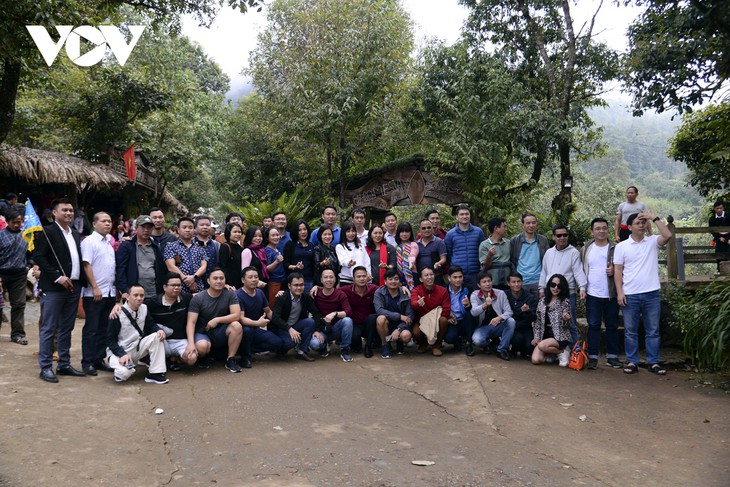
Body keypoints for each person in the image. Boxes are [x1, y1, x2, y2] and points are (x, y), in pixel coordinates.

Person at [33, 197, 87, 383]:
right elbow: (38, 256)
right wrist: (57, 277)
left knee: (67, 327)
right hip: (54, 288)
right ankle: (46, 367)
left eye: (71, 210)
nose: (69, 213)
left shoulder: (75, 233)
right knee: (49, 327)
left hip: (73, 287)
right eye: (64, 210)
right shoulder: (47, 232)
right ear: (54, 213)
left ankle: (64, 364)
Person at [614, 211, 672, 375]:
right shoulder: (621, 246)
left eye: (643, 223)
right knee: (630, 331)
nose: (641, 225)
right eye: (637, 223)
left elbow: (667, 235)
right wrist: (620, 292)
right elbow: (618, 270)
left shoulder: (652, 241)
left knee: (653, 330)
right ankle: (632, 361)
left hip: (651, 293)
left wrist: (653, 218)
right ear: (629, 227)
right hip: (630, 293)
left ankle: (653, 362)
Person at [106, 283, 169, 384]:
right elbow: (110, 340)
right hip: (119, 351)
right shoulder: (117, 314)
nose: (139, 298)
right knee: (124, 374)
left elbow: (151, 325)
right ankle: (120, 369)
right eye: (135, 295)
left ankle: (155, 373)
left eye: (141, 295)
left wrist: (158, 330)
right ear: (127, 296)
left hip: (136, 347)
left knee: (157, 336)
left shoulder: (144, 308)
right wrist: (122, 354)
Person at [184, 268, 244, 372]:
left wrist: (217, 320)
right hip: (203, 331)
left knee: (236, 326)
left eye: (221, 278)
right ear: (208, 281)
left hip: (221, 331)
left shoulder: (230, 294)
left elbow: (236, 315)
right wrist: (191, 344)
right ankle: (204, 356)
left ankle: (231, 359)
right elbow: (191, 322)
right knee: (202, 347)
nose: (219, 281)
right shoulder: (198, 298)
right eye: (215, 278)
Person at [580, 218, 622, 369]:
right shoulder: (586, 248)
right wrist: (582, 288)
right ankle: (592, 357)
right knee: (593, 325)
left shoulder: (616, 248)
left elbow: (625, 267)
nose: (601, 231)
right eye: (597, 228)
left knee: (612, 325)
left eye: (604, 228)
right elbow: (581, 269)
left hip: (611, 293)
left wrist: (615, 271)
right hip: (592, 294)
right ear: (592, 231)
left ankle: (613, 357)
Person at [80, 212, 117, 376]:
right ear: (94, 224)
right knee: (92, 329)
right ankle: (87, 362)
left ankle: (98, 359)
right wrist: (95, 287)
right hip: (94, 293)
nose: (107, 224)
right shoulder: (89, 241)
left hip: (109, 292)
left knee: (104, 328)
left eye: (109, 221)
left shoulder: (109, 241)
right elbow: (86, 265)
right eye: (103, 221)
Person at [538, 224, 586, 343]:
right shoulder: (549, 252)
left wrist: (582, 287)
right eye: (559, 235)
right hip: (550, 293)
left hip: (567, 293)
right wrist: (541, 288)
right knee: (550, 322)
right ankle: (554, 349)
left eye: (565, 235)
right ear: (553, 237)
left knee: (570, 322)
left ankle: (576, 350)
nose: (562, 238)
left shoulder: (574, 252)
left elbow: (578, 271)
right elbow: (544, 272)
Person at [236, 266, 285, 368]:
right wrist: (257, 323)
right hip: (242, 330)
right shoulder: (238, 295)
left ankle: (244, 350)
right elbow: (241, 318)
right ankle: (245, 357)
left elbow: (268, 312)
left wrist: (284, 324)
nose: (254, 279)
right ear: (243, 280)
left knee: (277, 342)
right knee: (247, 330)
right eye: (250, 277)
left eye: (256, 277)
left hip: (256, 329)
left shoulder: (260, 293)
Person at [145, 273, 196, 369]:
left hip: (180, 341)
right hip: (161, 341)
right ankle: (167, 360)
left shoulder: (186, 298)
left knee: (192, 359)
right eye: (173, 285)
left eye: (179, 285)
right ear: (164, 287)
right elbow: (135, 305)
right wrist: (118, 306)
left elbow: (202, 295)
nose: (176, 288)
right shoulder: (153, 302)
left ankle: (175, 358)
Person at [116, 215, 166, 303]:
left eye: (149, 227)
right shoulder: (127, 246)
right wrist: (123, 290)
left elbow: (161, 269)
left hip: (153, 293)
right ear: (136, 228)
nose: (146, 230)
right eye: (143, 227)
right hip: (133, 294)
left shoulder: (155, 247)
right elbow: (120, 269)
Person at [0, 209, 32, 345]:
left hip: (19, 274)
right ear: (7, 222)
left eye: (20, 222)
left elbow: (32, 253)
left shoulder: (26, 236)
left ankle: (17, 334)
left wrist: (29, 265)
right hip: (1, 274)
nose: (17, 225)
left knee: (19, 305)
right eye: (14, 222)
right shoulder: (1, 235)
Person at [270, 272, 318, 361]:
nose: (299, 288)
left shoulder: (305, 297)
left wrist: (317, 330)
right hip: (281, 328)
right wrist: (289, 329)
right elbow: (275, 318)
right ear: (289, 286)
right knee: (291, 342)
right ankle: (280, 351)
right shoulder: (282, 297)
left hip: (296, 326)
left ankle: (302, 351)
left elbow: (316, 313)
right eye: (296, 285)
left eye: (301, 285)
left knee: (310, 322)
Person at [310, 269, 354, 362]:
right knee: (314, 344)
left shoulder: (340, 294)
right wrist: (315, 330)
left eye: (331, 277)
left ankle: (344, 349)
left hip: (337, 328)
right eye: (325, 277)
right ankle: (323, 346)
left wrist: (335, 313)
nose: (328, 280)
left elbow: (348, 311)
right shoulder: (315, 293)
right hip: (322, 328)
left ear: (335, 280)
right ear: (321, 280)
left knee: (347, 320)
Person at [469, 271, 515, 361]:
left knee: (511, 321)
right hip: (483, 327)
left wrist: (499, 317)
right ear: (479, 285)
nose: (487, 284)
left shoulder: (500, 293)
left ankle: (502, 350)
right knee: (477, 340)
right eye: (484, 282)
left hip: (498, 325)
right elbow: (473, 312)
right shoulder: (475, 295)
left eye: (489, 281)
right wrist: (485, 305)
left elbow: (509, 312)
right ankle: (489, 344)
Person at [531, 274, 572, 366]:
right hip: (544, 334)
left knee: (542, 346)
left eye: (559, 286)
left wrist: (565, 319)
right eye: (553, 285)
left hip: (559, 335)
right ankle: (552, 354)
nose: (555, 288)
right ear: (549, 285)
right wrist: (536, 337)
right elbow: (538, 321)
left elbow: (568, 325)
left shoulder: (565, 301)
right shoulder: (542, 301)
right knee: (536, 360)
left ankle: (562, 352)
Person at [373, 269, 414, 359]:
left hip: (402, 324)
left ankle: (400, 342)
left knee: (406, 336)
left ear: (400, 282)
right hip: (387, 323)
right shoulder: (379, 292)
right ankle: (385, 345)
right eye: (390, 279)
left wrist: (399, 329)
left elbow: (410, 317)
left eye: (396, 279)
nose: (393, 281)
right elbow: (379, 310)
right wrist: (399, 316)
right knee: (380, 318)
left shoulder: (405, 293)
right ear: (385, 281)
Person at [411, 266, 450, 356]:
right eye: (426, 275)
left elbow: (446, 309)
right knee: (416, 332)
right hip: (421, 320)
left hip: (437, 319)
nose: (429, 277)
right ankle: (423, 344)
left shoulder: (443, 290)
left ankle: (436, 345)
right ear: (421, 279)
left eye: (431, 274)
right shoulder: (416, 290)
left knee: (444, 320)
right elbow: (413, 303)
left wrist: (434, 321)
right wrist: (418, 304)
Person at [340, 266, 379, 356]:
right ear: (353, 278)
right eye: (358, 276)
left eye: (364, 276)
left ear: (367, 277)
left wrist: (402, 288)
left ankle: (368, 346)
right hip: (355, 324)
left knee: (372, 317)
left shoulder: (374, 289)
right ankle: (356, 344)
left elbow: (388, 289)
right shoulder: (346, 290)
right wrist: (317, 287)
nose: (361, 279)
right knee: (356, 346)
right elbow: (331, 291)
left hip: (370, 324)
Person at [444, 205, 485, 291]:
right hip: (457, 274)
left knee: (476, 296)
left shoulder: (478, 232)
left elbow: (482, 251)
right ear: (457, 217)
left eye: (467, 214)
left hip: (475, 272)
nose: (464, 216)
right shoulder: (450, 234)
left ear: (470, 215)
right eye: (462, 214)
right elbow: (448, 253)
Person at [509, 212, 549, 298]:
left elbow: (548, 261)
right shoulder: (515, 240)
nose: (531, 225)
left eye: (533, 223)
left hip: (538, 281)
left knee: (538, 306)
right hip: (520, 282)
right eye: (528, 223)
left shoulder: (543, 240)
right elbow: (511, 260)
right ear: (522, 225)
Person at [163, 216, 207, 294]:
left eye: (190, 227)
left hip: (197, 286)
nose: (187, 230)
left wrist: (194, 277)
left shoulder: (200, 247)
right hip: (178, 287)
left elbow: (204, 266)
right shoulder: (171, 246)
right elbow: (171, 266)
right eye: (184, 227)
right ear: (178, 229)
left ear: (194, 230)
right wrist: (186, 280)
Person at [442, 266, 475, 355]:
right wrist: (447, 316)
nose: (458, 280)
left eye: (460, 277)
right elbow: (440, 307)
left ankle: (469, 344)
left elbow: (474, 308)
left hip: (465, 319)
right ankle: (457, 342)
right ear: (449, 278)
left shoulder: (468, 289)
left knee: (470, 315)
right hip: (453, 320)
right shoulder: (444, 290)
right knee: (449, 338)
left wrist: (467, 305)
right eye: (455, 277)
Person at [505, 272, 537, 359]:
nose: (516, 284)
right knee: (517, 339)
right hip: (511, 327)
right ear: (508, 283)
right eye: (513, 282)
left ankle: (523, 350)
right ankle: (512, 350)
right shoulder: (504, 295)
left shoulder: (530, 297)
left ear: (522, 282)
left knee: (530, 347)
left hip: (525, 327)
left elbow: (534, 317)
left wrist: (528, 311)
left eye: (518, 281)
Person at [479, 217, 512, 290]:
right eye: (504, 226)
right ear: (496, 228)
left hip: (508, 283)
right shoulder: (484, 245)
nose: (506, 229)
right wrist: (489, 255)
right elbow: (485, 266)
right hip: (492, 283)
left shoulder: (508, 243)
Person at [284, 219, 316, 292]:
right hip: (294, 281)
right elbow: (286, 264)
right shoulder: (290, 244)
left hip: (309, 280)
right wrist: (295, 267)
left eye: (305, 229)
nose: (303, 232)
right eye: (300, 230)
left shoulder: (311, 245)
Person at [335, 221, 370, 286]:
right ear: (344, 233)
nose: (351, 234)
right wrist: (349, 262)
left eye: (353, 231)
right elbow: (343, 260)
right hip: (347, 280)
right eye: (348, 231)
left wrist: (368, 273)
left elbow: (366, 261)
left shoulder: (360, 246)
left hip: (361, 279)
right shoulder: (340, 246)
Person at [416, 218, 447, 286]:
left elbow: (443, 258)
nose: (426, 230)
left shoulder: (439, 242)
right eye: (424, 228)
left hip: (436, 276)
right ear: (420, 230)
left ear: (432, 228)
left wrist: (439, 263)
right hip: (421, 278)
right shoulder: (416, 244)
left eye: (429, 227)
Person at [193, 215, 219, 285]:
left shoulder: (216, 244)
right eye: (202, 225)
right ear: (195, 227)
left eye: (207, 225)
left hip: (212, 284)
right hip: (194, 283)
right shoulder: (190, 243)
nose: (205, 227)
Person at [263, 226, 286, 304]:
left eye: (277, 235)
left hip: (281, 280)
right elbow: (267, 269)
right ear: (267, 238)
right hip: (273, 281)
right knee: (273, 304)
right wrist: (276, 262)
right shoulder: (267, 250)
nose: (276, 237)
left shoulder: (276, 248)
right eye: (273, 235)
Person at [217, 222, 244, 288]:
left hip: (240, 283)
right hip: (229, 284)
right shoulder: (225, 247)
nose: (238, 234)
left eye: (239, 232)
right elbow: (223, 267)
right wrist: (230, 284)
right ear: (228, 233)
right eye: (235, 232)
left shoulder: (241, 248)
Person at [395, 222, 419, 290]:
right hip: (398, 276)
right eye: (402, 232)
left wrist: (411, 263)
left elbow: (413, 255)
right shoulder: (396, 247)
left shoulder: (413, 244)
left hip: (412, 275)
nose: (404, 234)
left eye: (407, 231)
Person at [709, 201, 729, 270]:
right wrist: (719, 237)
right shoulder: (712, 219)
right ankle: (720, 270)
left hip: (729, 236)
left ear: (723, 208)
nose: (719, 210)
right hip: (719, 237)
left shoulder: (728, 216)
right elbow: (712, 231)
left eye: (721, 208)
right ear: (714, 209)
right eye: (717, 208)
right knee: (719, 254)